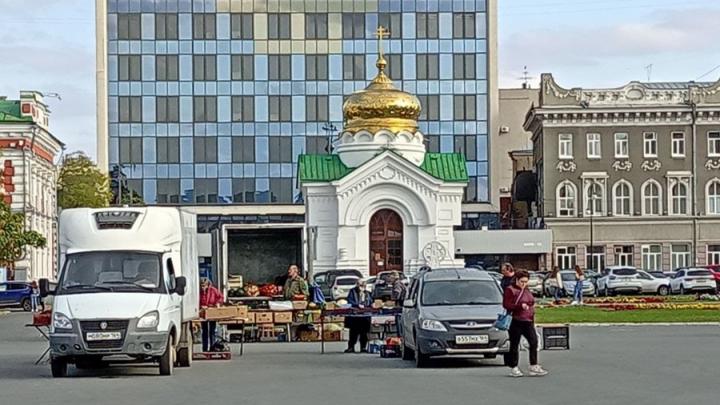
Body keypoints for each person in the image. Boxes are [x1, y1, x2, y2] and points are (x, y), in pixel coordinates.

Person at [503, 270, 548, 377]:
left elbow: (531, 301)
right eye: (522, 281)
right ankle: (514, 367)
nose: (524, 284)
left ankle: (533, 365)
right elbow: (506, 305)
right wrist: (520, 306)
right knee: (514, 344)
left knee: (534, 342)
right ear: (516, 280)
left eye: (526, 281)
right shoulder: (510, 290)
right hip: (516, 320)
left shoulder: (526, 289)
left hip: (528, 320)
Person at [344, 279, 373, 353]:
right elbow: (349, 300)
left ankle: (363, 347)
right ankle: (351, 347)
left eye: (363, 286)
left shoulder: (367, 293)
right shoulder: (352, 291)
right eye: (360, 285)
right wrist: (357, 305)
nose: (362, 287)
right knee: (353, 332)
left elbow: (370, 301)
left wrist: (369, 305)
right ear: (357, 285)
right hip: (355, 316)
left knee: (364, 332)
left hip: (365, 315)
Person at [199, 278, 223, 352]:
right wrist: (200, 306)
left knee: (212, 330)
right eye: (201, 286)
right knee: (204, 330)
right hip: (203, 312)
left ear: (207, 285)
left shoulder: (213, 290)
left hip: (212, 312)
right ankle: (205, 348)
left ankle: (212, 346)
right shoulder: (199, 292)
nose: (203, 288)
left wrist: (217, 303)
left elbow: (220, 297)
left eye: (204, 286)